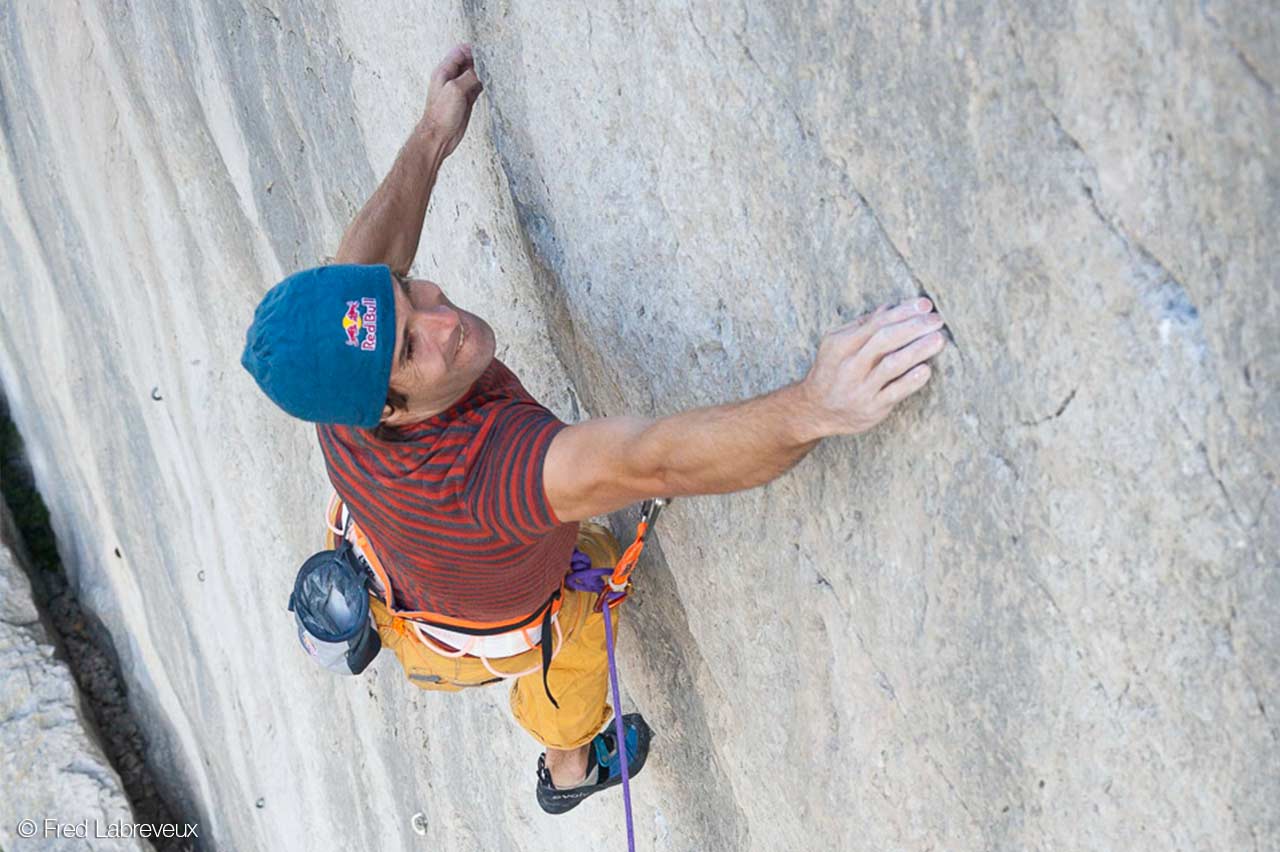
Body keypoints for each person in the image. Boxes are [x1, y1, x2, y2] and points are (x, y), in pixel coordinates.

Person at [241, 42, 947, 814]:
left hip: (395, 564)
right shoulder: (492, 477)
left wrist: (431, 137)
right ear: (388, 412)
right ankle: (569, 773)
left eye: (413, 294)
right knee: (577, 635)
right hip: (478, 626)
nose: (449, 323)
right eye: (414, 347)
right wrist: (816, 403)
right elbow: (654, 462)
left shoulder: (342, 386)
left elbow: (367, 261)